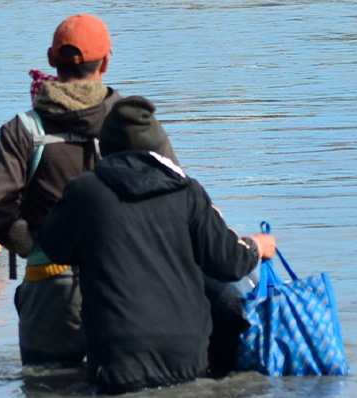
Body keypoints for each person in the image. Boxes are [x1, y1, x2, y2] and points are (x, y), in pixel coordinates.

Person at [37, 96, 277, 395]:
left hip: (117, 360)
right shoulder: (187, 191)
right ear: (158, 147)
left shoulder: (86, 191)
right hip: (188, 357)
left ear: (105, 147)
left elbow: (52, 246)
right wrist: (255, 246)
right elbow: (228, 264)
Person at [0, 14, 122, 367]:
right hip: (122, 282)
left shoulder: (24, 129)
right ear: (107, 61)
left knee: (47, 387)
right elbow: (170, 190)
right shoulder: (129, 121)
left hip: (48, 284)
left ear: (51, 59)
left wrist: (22, 238)